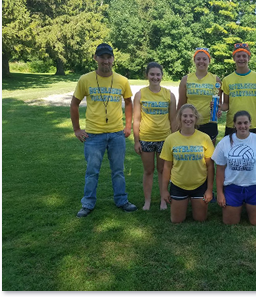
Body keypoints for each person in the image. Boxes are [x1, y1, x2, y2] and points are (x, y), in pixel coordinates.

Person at [71, 43, 137, 217]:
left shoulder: (122, 80)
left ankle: (122, 200)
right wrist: (77, 129)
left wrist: (128, 125)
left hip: (117, 134)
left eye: (109, 57)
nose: (106, 61)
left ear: (113, 59)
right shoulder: (85, 79)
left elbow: (129, 103)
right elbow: (74, 103)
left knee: (118, 170)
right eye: (102, 57)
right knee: (92, 171)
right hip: (93, 135)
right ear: (95, 58)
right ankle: (87, 204)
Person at [212, 111, 256, 226]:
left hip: (254, 187)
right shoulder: (225, 142)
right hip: (232, 187)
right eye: (239, 123)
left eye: (245, 123)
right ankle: (238, 203)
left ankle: (248, 204)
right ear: (234, 124)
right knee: (230, 222)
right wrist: (220, 193)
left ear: (250, 124)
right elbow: (219, 170)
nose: (243, 126)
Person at [133, 62, 177, 211]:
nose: (155, 77)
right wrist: (136, 141)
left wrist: (174, 140)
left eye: (158, 74)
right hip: (146, 138)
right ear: (147, 75)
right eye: (152, 74)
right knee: (148, 170)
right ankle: (147, 201)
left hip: (164, 139)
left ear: (162, 76)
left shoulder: (169, 95)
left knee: (163, 170)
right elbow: (136, 119)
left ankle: (164, 200)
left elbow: (173, 120)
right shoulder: (140, 94)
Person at [160, 104, 215, 223]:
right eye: (185, 116)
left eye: (191, 116)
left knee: (200, 219)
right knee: (176, 220)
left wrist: (209, 189)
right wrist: (164, 190)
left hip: (199, 184)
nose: (188, 119)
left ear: (196, 119)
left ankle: (194, 201)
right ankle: (184, 201)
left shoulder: (205, 138)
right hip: (178, 184)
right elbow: (167, 166)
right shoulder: (171, 139)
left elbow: (210, 166)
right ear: (179, 118)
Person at [177, 48, 222, 144]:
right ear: (194, 61)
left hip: (209, 122)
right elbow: (181, 104)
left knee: (208, 155)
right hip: (189, 122)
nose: (201, 61)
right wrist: (178, 123)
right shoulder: (186, 79)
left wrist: (218, 111)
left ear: (209, 61)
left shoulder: (216, 80)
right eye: (198, 59)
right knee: (190, 152)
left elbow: (218, 103)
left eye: (204, 59)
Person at [220, 43, 256, 136]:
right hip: (232, 125)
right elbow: (226, 104)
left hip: (251, 125)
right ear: (234, 58)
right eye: (238, 56)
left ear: (249, 58)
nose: (241, 59)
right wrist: (217, 107)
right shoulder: (227, 79)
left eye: (244, 56)